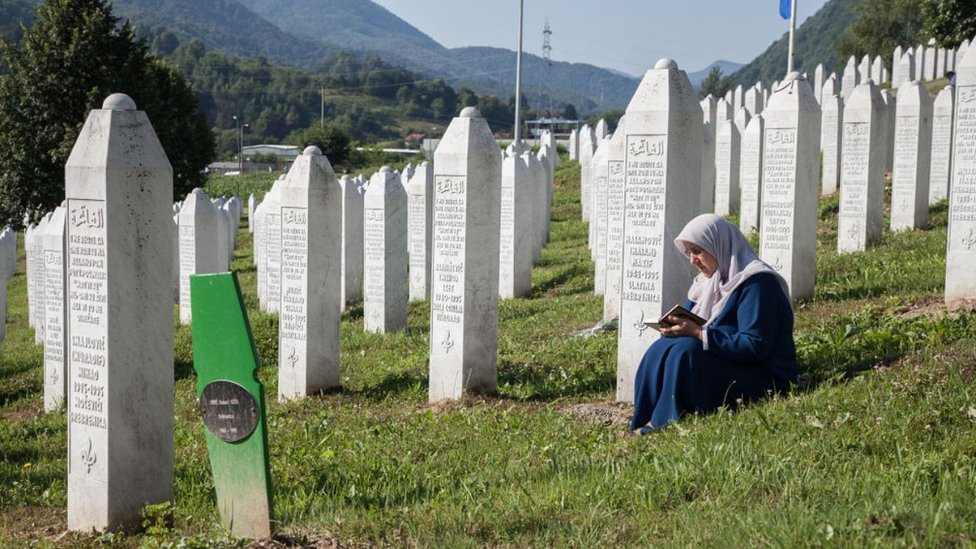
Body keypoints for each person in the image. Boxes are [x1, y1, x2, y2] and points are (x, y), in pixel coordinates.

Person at [629, 213, 798, 434]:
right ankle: (644, 417)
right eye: (689, 253)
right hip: (727, 360)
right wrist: (674, 327)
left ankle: (664, 422)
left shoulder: (757, 284)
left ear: (719, 245)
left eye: (697, 251)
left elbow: (754, 346)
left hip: (762, 375)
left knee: (685, 352)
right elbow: (690, 320)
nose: (692, 260)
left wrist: (699, 334)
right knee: (660, 347)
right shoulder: (706, 282)